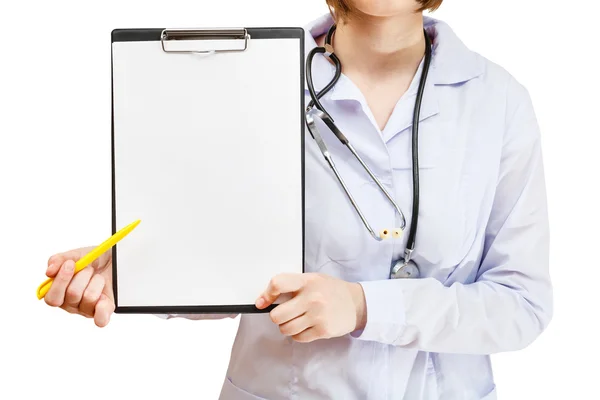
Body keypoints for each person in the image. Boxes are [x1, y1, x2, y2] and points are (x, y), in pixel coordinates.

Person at [42, 1, 552, 399]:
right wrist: (139, 273)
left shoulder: (499, 101)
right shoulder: (252, 80)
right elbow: (220, 258)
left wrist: (363, 306)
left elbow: (522, 304)